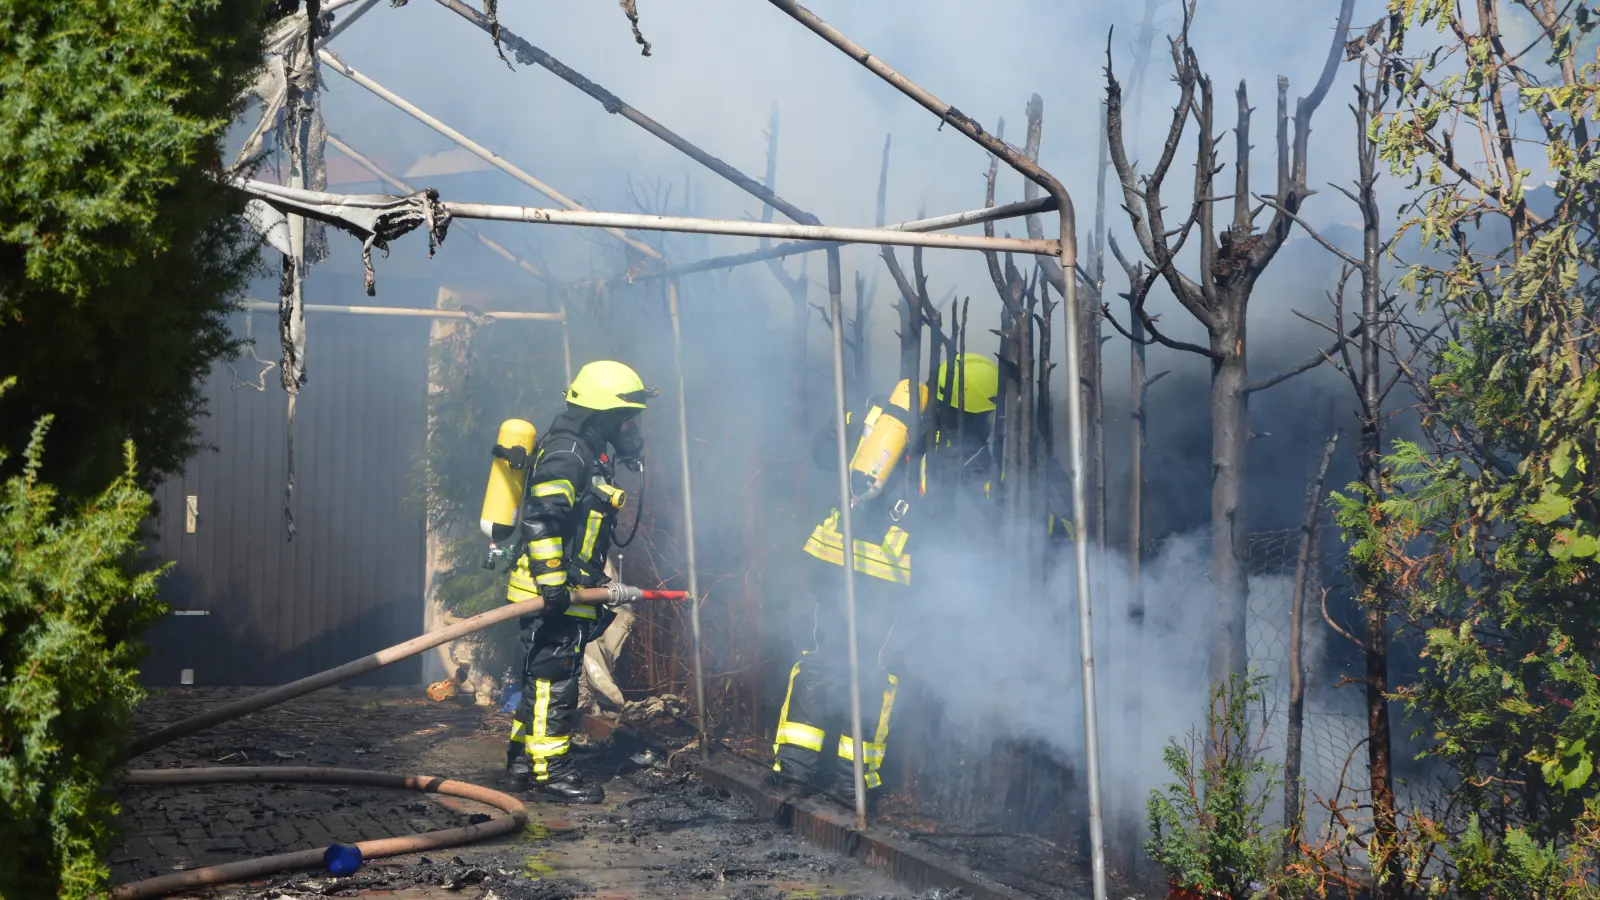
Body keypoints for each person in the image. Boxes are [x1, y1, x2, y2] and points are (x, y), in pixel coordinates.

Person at [771, 354, 1001, 807]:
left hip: (832, 556)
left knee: (820, 658)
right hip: (887, 575)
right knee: (874, 672)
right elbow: (977, 517)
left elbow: (823, 452)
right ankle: (853, 780)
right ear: (975, 408)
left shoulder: (881, 413)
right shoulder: (969, 451)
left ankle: (793, 771)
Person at [503, 360, 657, 803]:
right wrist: (553, 585)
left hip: (563, 590)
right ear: (601, 416)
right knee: (554, 681)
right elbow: (541, 520)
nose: (631, 427)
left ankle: (522, 763)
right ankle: (550, 771)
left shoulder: (587, 452)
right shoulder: (570, 454)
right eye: (625, 417)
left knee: (541, 679)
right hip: (551, 592)